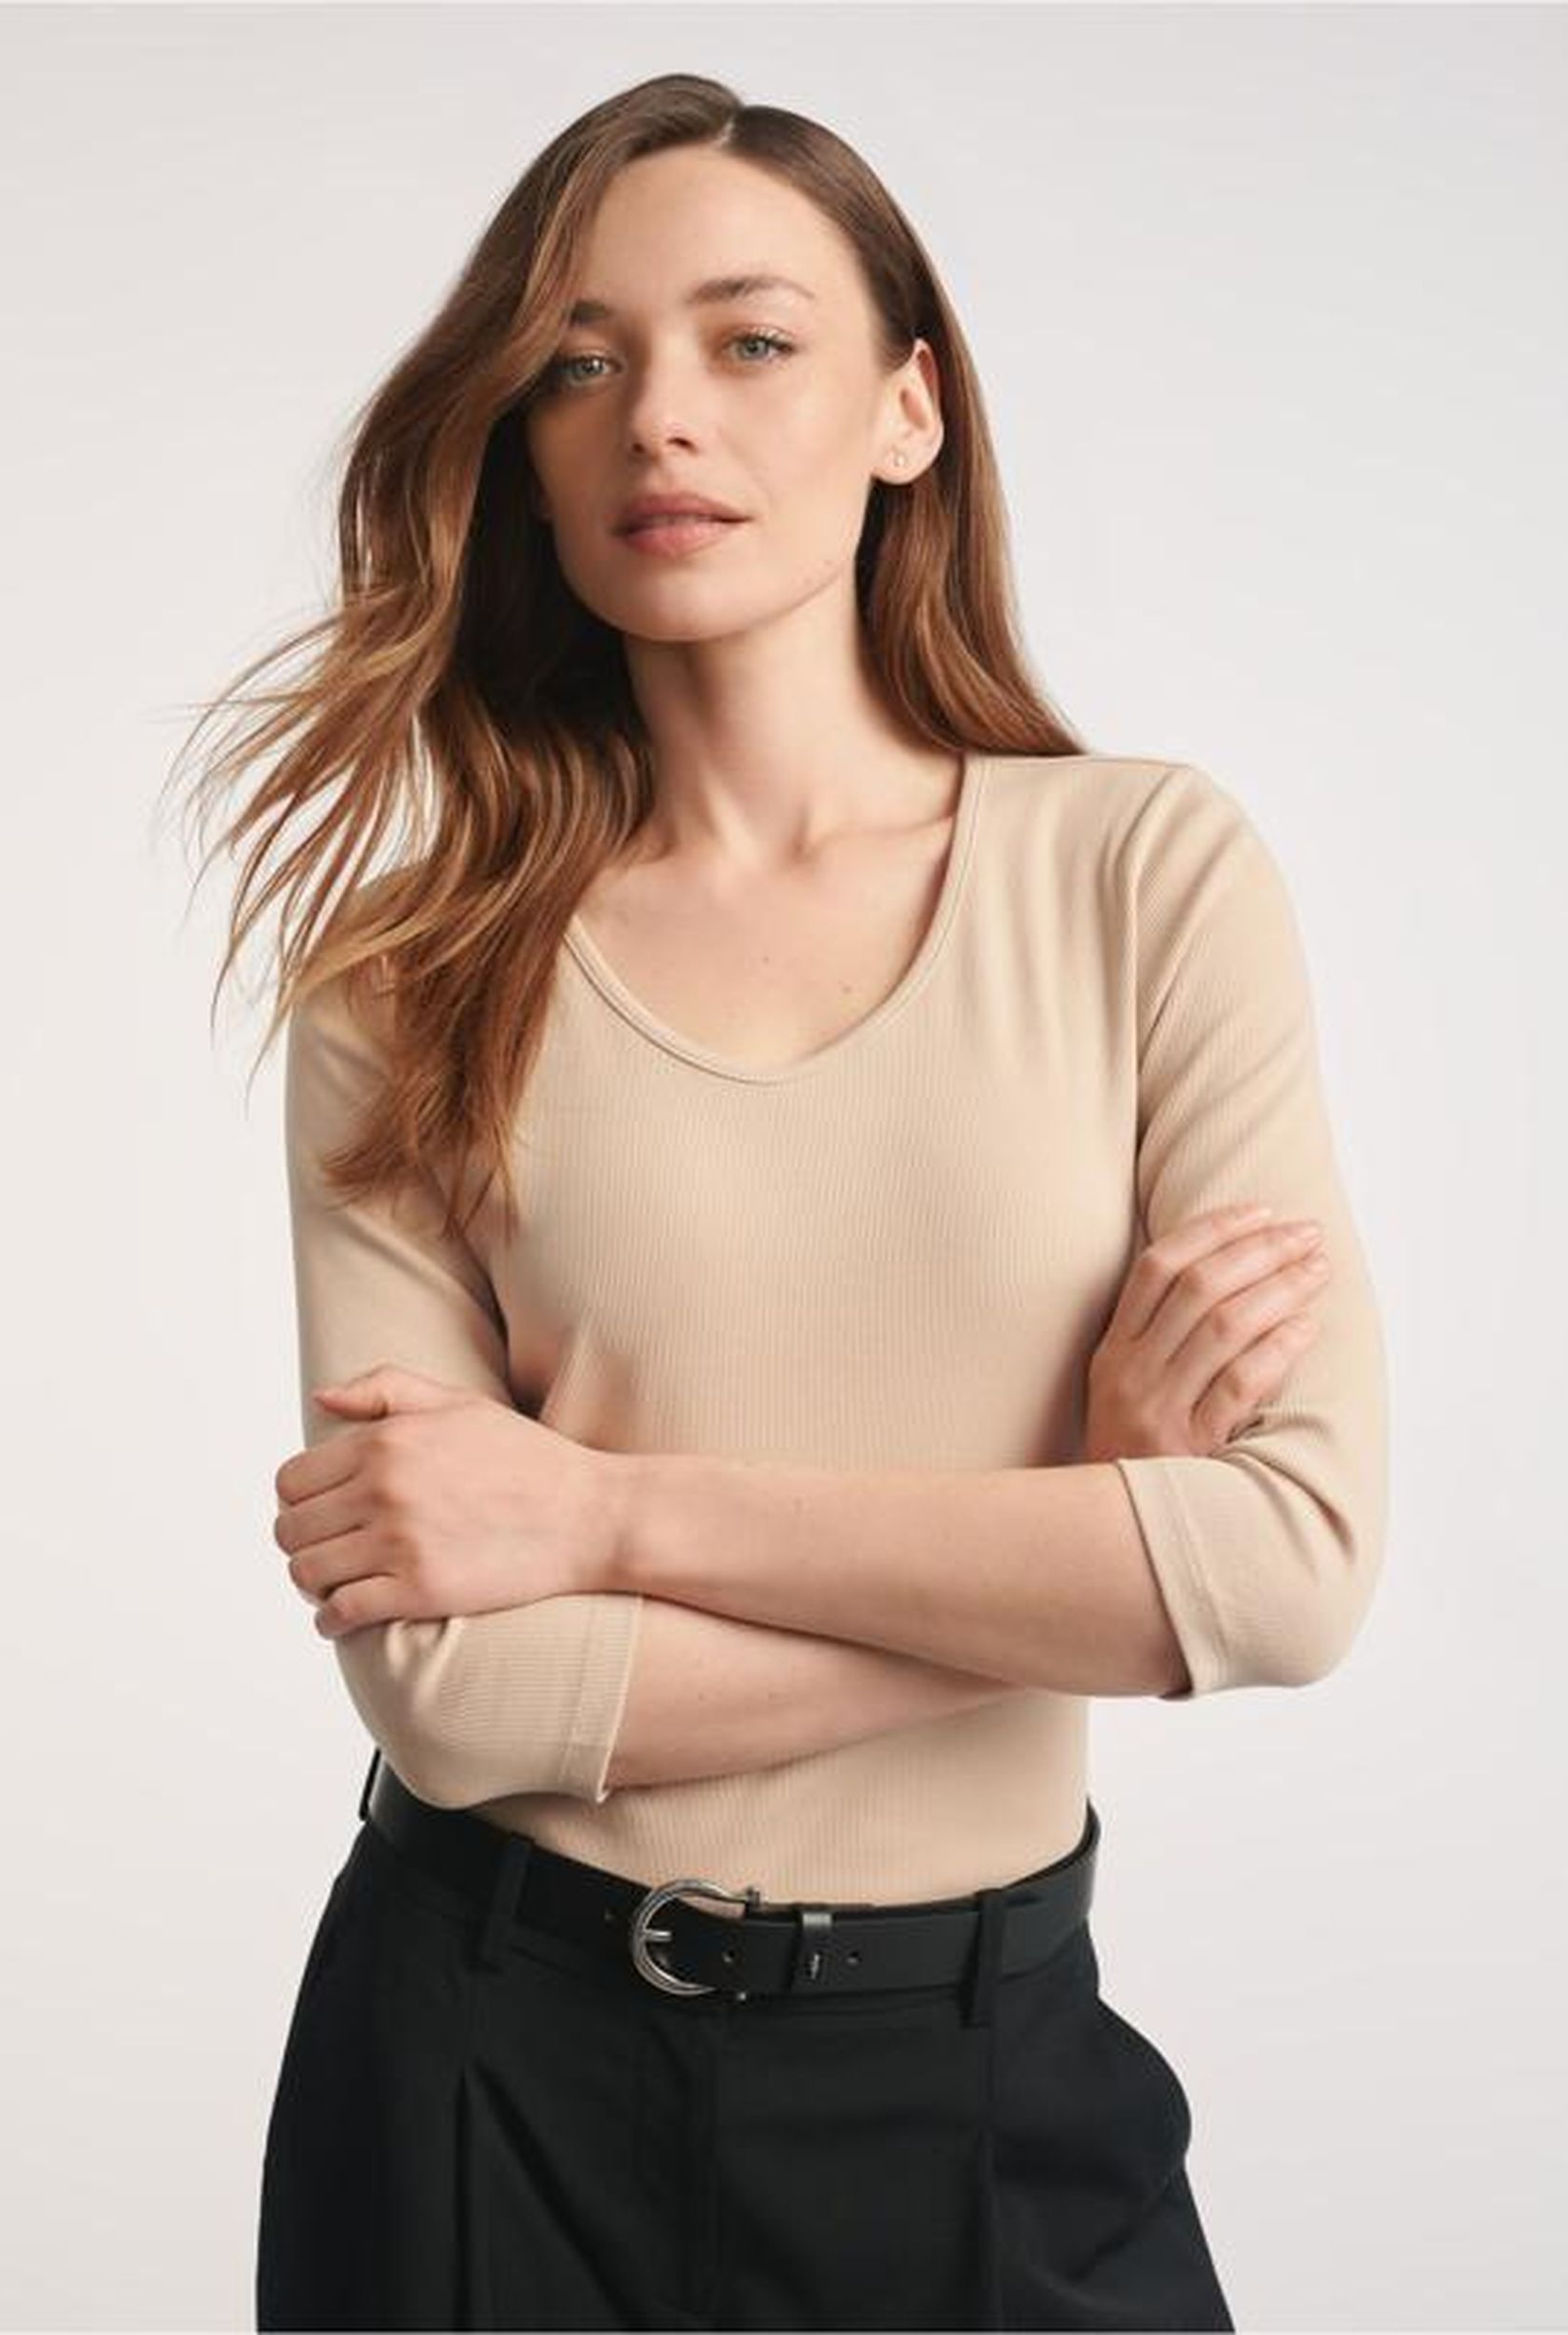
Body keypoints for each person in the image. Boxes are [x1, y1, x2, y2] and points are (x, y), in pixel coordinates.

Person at [171, 70, 1387, 2333]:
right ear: (522, 446)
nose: (660, 417)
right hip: (482, 2081)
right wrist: (1072, 1536)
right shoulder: (408, 974)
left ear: (908, 408)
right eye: (579, 363)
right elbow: (456, 1692)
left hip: (989, 2073)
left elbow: (1285, 1564)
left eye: (750, 341)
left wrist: (600, 1513)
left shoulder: (1140, 875)